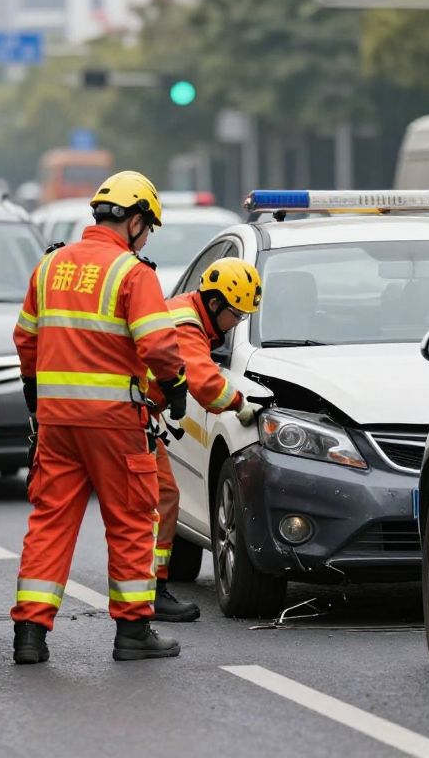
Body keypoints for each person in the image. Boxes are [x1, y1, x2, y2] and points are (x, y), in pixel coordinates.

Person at [10, 170, 189, 664]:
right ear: (133, 222)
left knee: (50, 521)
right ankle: (133, 632)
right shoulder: (133, 273)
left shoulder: (50, 267)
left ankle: (29, 634)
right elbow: (157, 344)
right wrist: (175, 388)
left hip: (56, 422)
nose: (147, 235)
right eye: (147, 226)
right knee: (132, 519)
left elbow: (25, 339)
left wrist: (35, 393)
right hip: (114, 424)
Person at [147, 257, 263, 622]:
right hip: (125, 417)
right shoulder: (186, 325)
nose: (236, 324)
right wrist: (241, 405)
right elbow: (204, 382)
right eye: (236, 314)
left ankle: (146, 591)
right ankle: (150, 591)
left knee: (154, 499)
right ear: (214, 304)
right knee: (160, 498)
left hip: (132, 413)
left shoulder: (188, 315)